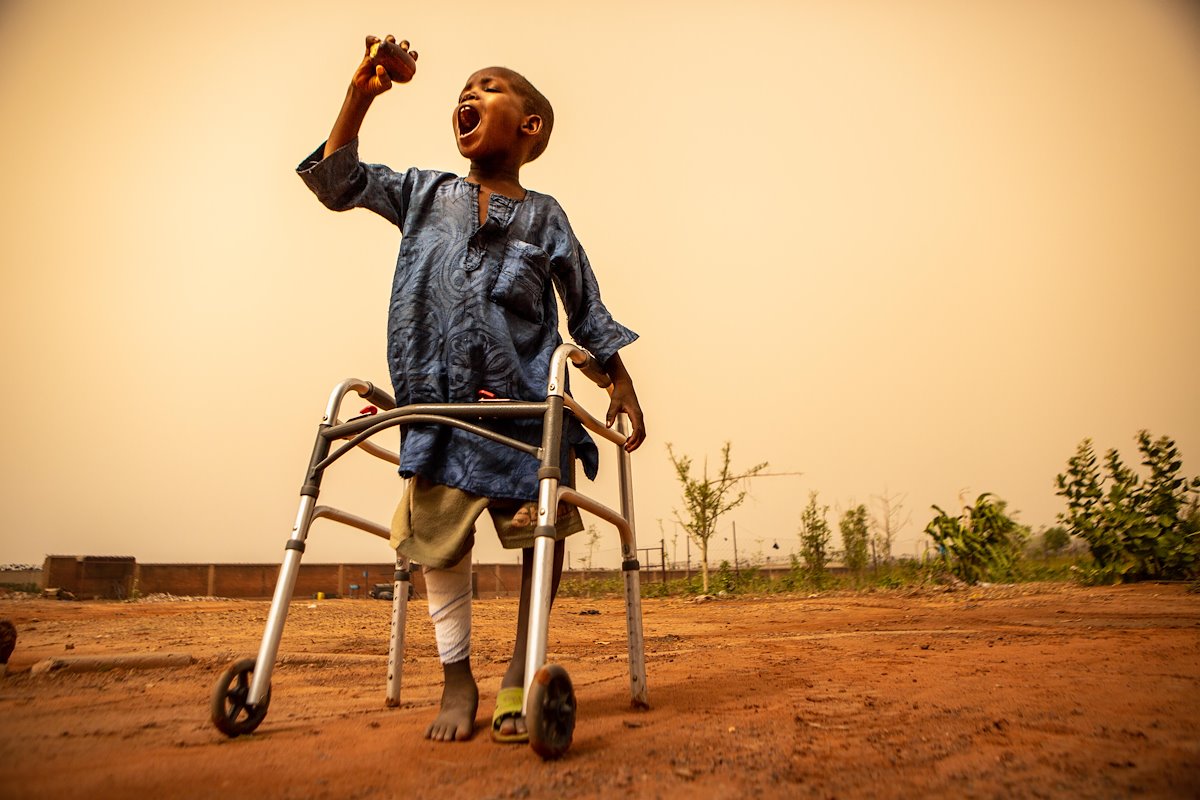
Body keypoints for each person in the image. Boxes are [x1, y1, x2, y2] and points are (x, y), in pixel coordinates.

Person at [297, 35, 646, 743]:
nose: (469, 93)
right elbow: (337, 182)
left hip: (521, 415)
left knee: (539, 539)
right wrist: (360, 96)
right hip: (437, 409)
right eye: (465, 88)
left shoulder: (546, 217)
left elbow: (586, 306)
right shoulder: (425, 192)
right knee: (435, 543)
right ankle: (458, 677)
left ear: (529, 126)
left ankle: (523, 667)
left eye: (488, 86)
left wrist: (621, 383)